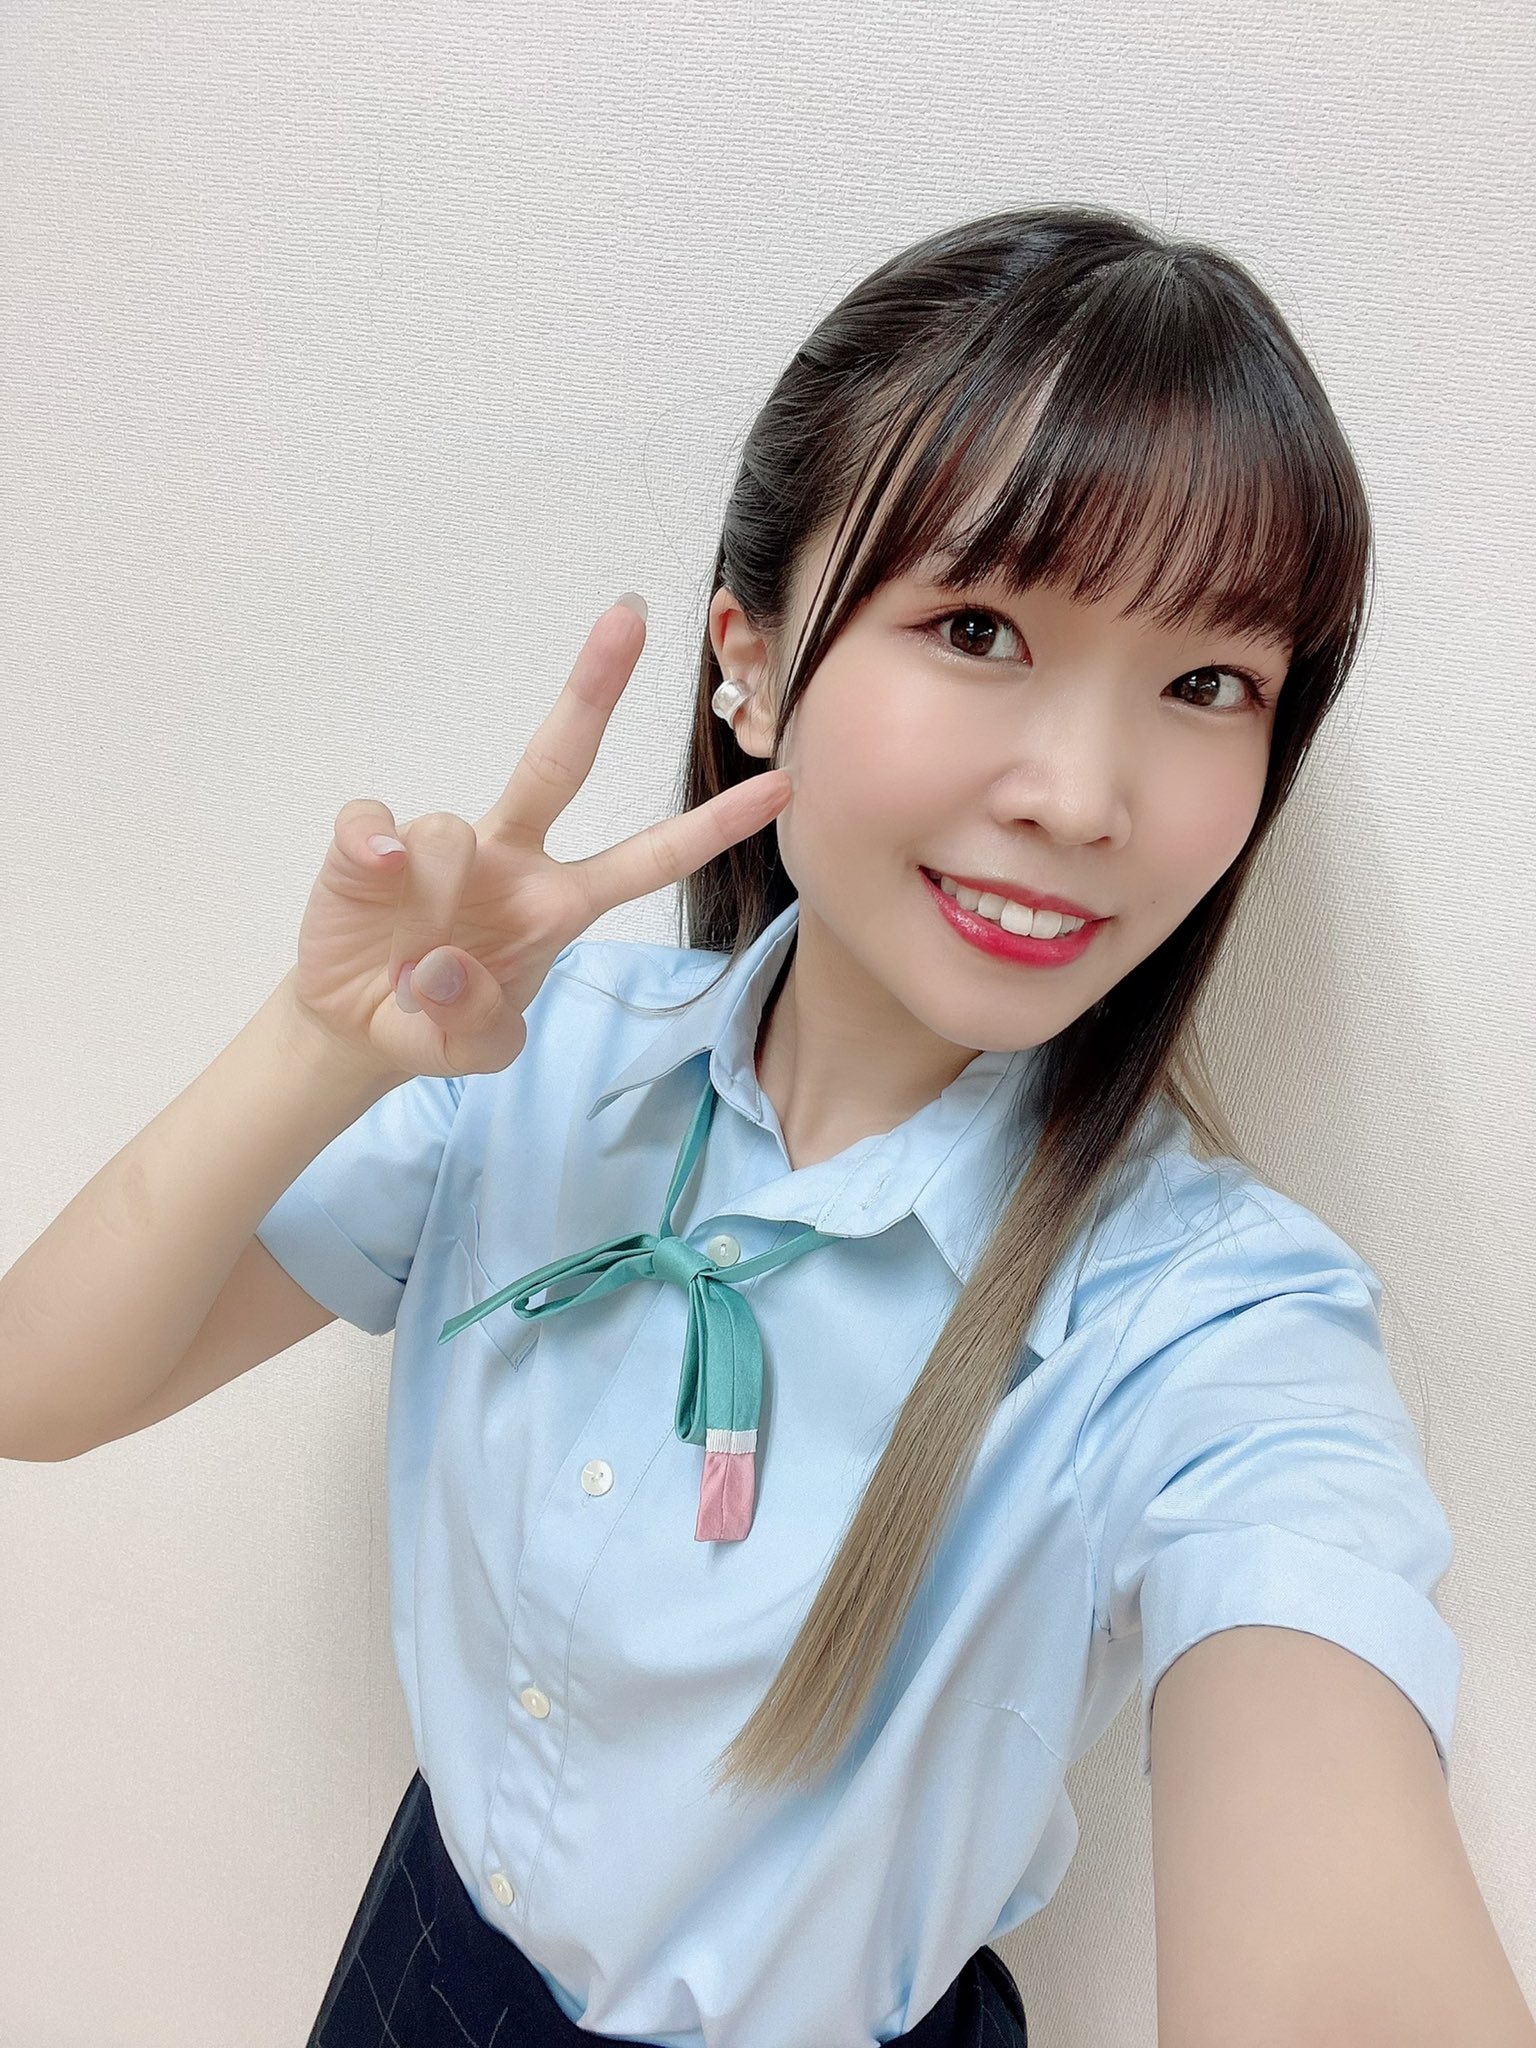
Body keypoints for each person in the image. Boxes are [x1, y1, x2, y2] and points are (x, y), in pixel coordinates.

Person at [0, 203, 1475, 2045]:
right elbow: (37, 1391)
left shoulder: (1212, 1323)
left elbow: (1319, 1741)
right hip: (423, 1963)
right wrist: (320, 1046)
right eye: (981, 626)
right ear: (752, 663)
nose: (1086, 797)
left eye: (1207, 685)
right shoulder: (531, 1061)